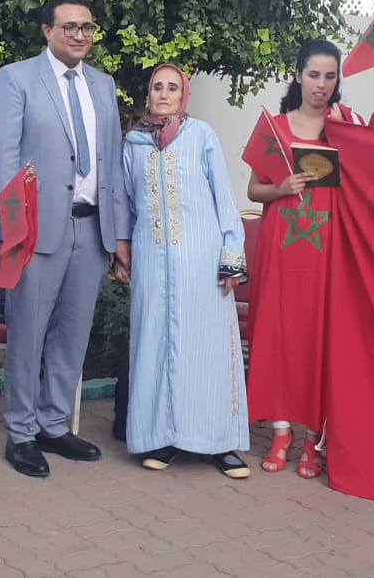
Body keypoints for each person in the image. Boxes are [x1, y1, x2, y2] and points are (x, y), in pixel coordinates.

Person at [0, 0, 129, 479]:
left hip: (91, 229)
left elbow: (112, 162)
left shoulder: (103, 85)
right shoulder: (17, 78)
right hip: (37, 229)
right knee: (28, 333)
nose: (79, 35)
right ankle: (21, 432)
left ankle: (54, 423)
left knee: (73, 333)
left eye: (86, 27)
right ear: (47, 31)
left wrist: (119, 234)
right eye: (69, 26)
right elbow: (4, 157)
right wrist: (14, 227)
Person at [118, 64, 251, 478]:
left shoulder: (201, 135)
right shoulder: (134, 142)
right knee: (155, 348)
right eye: (157, 87)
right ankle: (161, 439)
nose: (163, 94)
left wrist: (231, 255)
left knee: (207, 349)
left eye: (172, 88)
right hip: (151, 263)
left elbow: (224, 198)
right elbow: (127, 202)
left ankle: (221, 444)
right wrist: (122, 251)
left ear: (183, 96)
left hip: (201, 264)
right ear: (148, 94)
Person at [245, 40, 362, 480]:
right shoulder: (274, 128)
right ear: (297, 75)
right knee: (277, 333)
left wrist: (348, 134)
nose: (321, 85)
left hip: (330, 250)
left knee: (321, 338)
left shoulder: (347, 125)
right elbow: (254, 189)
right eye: (314, 75)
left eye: (330, 76)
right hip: (281, 246)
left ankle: (314, 437)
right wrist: (280, 189)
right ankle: (280, 432)